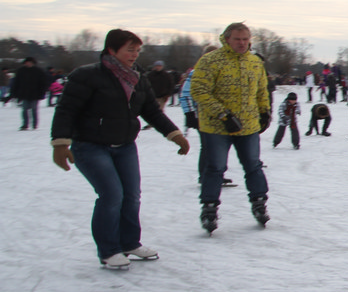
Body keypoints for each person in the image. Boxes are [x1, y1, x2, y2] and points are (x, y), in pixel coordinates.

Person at [50, 29, 190, 269]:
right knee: (112, 195)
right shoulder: (87, 75)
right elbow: (66, 109)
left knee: (132, 196)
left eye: (137, 50)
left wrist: (174, 134)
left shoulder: (138, 78)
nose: (134, 54)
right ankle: (109, 250)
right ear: (112, 50)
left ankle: (129, 243)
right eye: (129, 50)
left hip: (125, 145)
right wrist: (61, 143)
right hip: (91, 145)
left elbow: (151, 111)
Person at [190, 21, 272, 232]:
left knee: (253, 165)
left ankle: (259, 202)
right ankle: (209, 207)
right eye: (237, 39)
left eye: (245, 39)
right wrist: (222, 114)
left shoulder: (255, 62)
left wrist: (264, 111)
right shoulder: (211, 60)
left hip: (248, 125)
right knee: (215, 167)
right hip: (217, 126)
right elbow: (198, 90)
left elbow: (262, 90)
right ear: (227, 39)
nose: (242, 43)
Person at [12, 57, 50, 130]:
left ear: (33, 63)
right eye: (26, 62)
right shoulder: (21, 71)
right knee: (24, 110)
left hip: (35, 93)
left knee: (34, 109)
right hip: (24, 93)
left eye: (29, 62)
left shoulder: (38, 71)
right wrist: (15, 92)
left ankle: (34, 124)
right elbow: (16, 82)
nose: (28, 64)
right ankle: (25, 124)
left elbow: (43, 83)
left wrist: (42, 92)